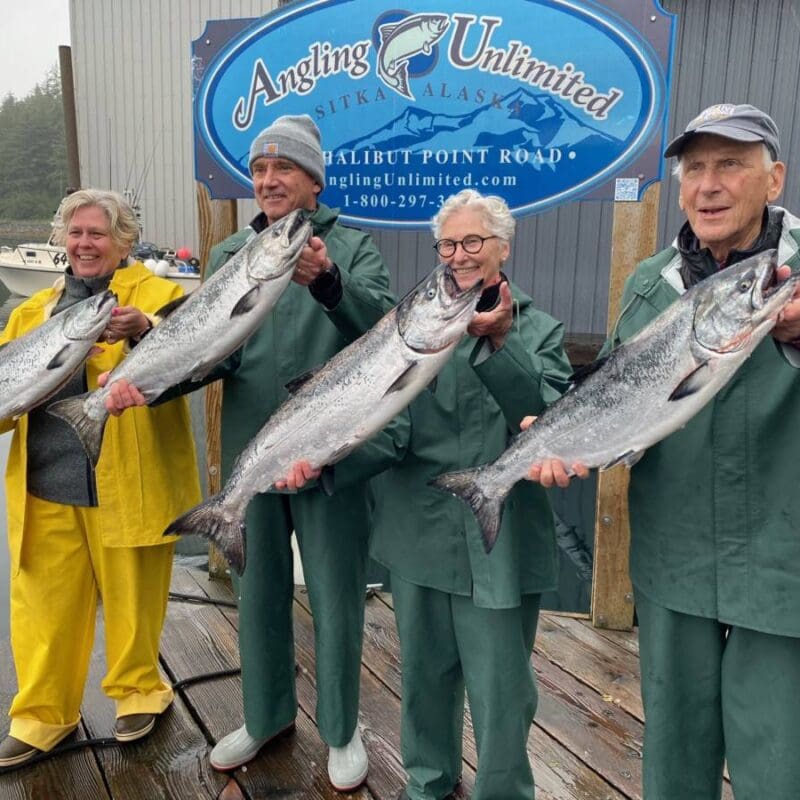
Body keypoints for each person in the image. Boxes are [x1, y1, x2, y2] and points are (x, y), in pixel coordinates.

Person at [104, 114, 394, 790]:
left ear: (313, 182)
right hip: (249, 460)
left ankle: (344, 728)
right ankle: (266, 716)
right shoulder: (232, 249)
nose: (267, 180)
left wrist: (327, 282)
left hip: (329, 458)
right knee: (256, 593)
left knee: (336, 596)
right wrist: (151, 377)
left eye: (283, 169)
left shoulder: (350, 246)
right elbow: (213, 352)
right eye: (260, 170)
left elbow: (383, 333)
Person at [527, 104, 800, 800]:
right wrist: (568, 440)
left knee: (780, 756)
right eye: (695, 168)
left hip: (783, 556)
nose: (708, 185)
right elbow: (619, 403)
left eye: (730, 165)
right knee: (675, 754)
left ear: (774, 179)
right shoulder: (650, 285)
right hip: (674, 552)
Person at [287, 189, 573, 799]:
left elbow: (544, 419)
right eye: (448, 244)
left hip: (501, 544)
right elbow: (390, 432)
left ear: (504, 248)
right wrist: (321, 463)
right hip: (416, 534)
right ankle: (427, 784)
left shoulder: (542, 329)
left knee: (502, 694)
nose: (460, 256)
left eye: (474, 242)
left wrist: (499, 344)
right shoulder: (411, 327)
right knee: (422, 680)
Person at [0, 189, 201, 768]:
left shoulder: (161, 295)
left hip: (128, 480)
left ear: (124, 242)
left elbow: (198, 358)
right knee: (43, 607)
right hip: (45, 481)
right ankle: (41, 713)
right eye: (76, 233)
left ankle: (140, 690)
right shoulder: (29, 313)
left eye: (98, 234)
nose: (85, 244)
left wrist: (143, 331)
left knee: (134, 595)